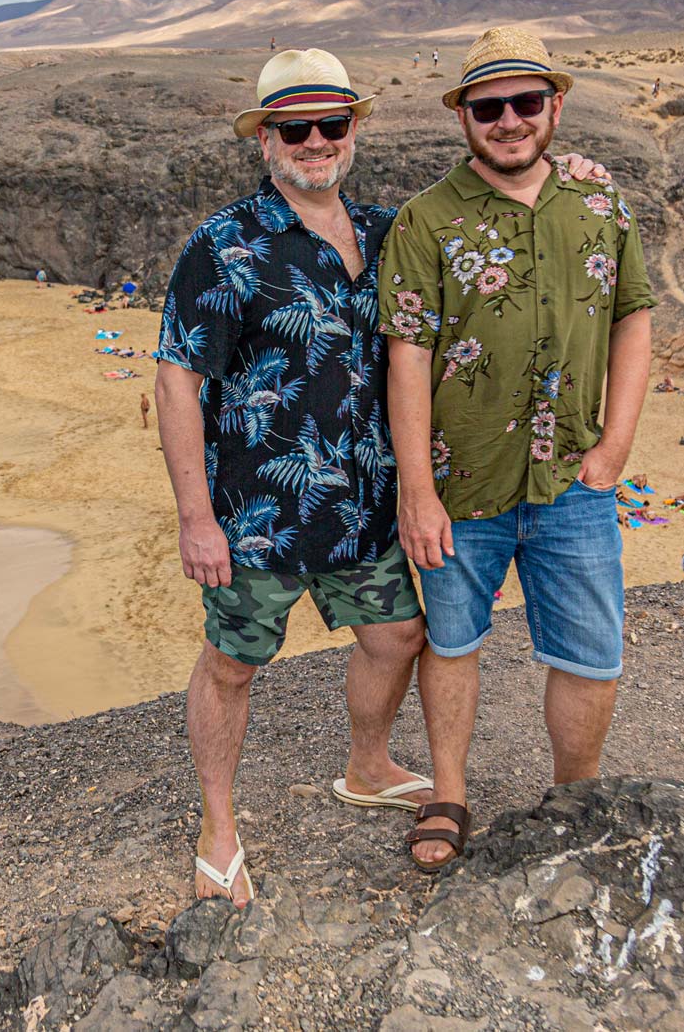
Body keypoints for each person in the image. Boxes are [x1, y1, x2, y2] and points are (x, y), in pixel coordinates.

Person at [154, 47, 429, 908]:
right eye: (294, 127)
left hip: (365, 508)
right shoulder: (223, 246)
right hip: (256, 515)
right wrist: (196, 519)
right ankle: (218, 826)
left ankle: (367, 763)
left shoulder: (392, 235)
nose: (315, 141)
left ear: (353, 132)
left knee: (396, 637)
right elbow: (177, 380)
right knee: (233, 663)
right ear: (266, 140)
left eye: (330, 124)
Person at [381, 26, 656, 872]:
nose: (508, 120)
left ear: (555, 107)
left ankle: (576, 797)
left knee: (589, 650)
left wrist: (614, 446)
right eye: (488, 106)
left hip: (572, 475)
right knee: (453, 641)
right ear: (463, 116)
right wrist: (417, 491)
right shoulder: (426, 219)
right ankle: (449, 792)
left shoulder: (601, 205)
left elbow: (634, 317)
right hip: (463, 481)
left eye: (525, 102)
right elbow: (408, 355)